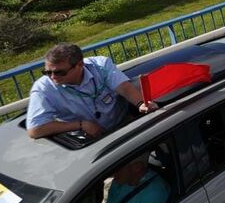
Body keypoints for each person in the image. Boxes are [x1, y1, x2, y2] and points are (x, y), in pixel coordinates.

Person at [26, 44, 158, 140]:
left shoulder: (101, 66)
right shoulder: (43, 88)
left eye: (60, 72)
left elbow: (124, 87)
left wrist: (140, 103)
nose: (53, 77)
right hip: (88, 141)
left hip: (123, 124)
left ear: (80, 65)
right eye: (47, 72)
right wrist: (80, 125)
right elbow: (35, 129)